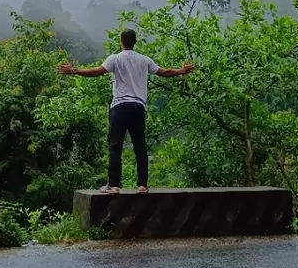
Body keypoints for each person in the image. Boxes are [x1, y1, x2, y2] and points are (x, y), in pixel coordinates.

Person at [58, 28, 195, 194]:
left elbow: (96, 71)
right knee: (140, 146)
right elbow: (164, 72)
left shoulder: (115, 59)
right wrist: (182, 71)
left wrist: (74, 71)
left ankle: (114, 185)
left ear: (121, 41)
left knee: (115, 145)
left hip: (120, 107)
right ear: (135, 42)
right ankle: (142, 185)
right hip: (138, 107)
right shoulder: (144, 60)